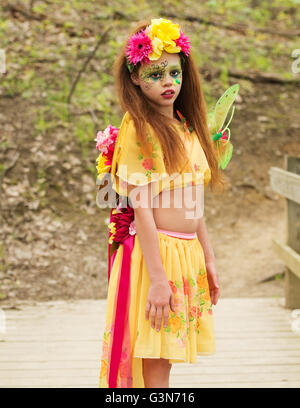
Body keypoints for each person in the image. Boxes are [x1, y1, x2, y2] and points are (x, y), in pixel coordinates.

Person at [96, 17, 237, 388]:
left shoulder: (187, 127)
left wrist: (208, 258)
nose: (168, 82)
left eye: (174, 73)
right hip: (155, 252)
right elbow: (140, 207)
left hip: (186, 252)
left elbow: (194, 203)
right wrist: (157, 280)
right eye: (155, 74)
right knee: (155, 355)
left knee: (167, 356)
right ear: (136, 79)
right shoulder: (139, 128)